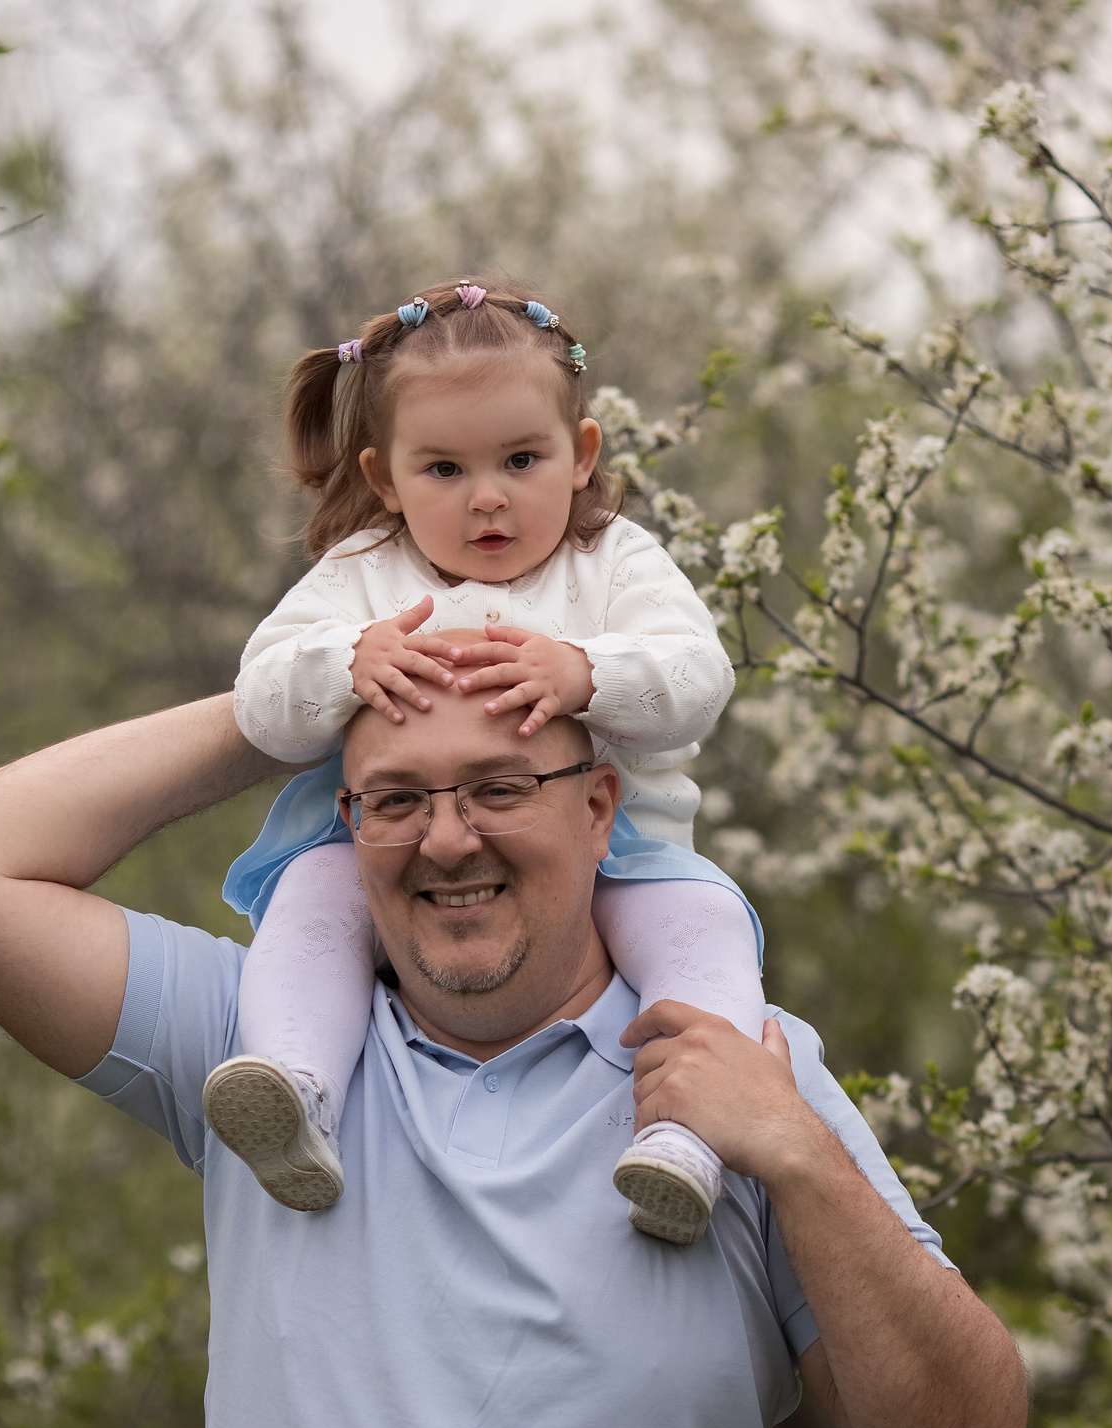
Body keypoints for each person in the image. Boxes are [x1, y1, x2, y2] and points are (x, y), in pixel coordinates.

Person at [0, 667, 1029, 1428]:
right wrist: (288, 694)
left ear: (599, 808)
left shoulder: (744, 1069)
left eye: (499, 787)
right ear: (346, 825)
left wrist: (797, 1153)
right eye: (395, 798)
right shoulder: (263, 1059)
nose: (445, 841)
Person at [213, 276, 752, 1246]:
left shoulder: (611, 565)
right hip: (386, 847)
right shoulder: (363, 576)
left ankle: (689, 1131)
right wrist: (345, 662)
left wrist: (587, 672)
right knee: (309, 908)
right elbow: (259, 701)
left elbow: (698, 676)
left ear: (580, 456)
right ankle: (295, 1088)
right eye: (444, 471)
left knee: (708, 925)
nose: (488, 497)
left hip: (620, 853)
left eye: (520, 458)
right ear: (385, 481)